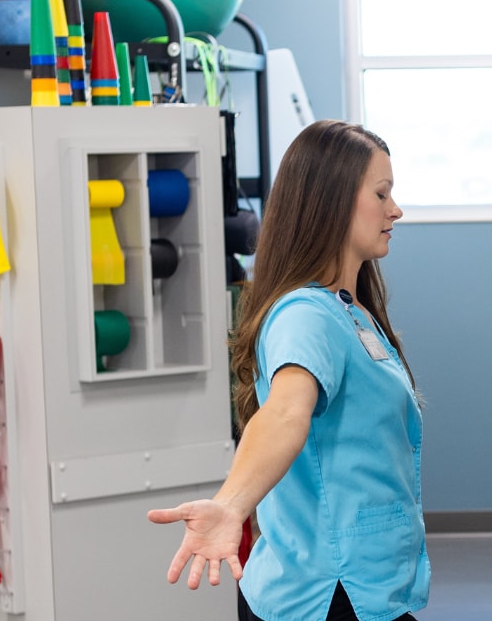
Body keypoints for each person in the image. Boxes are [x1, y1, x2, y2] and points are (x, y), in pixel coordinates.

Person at [148, 120, 428, 621]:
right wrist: (232, 505)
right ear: (334, 202)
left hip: (366, 587)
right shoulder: (305, 314)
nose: (395, 210)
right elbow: (284, 414)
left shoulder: (350, 309)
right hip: (325, 595)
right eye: (382, 194)